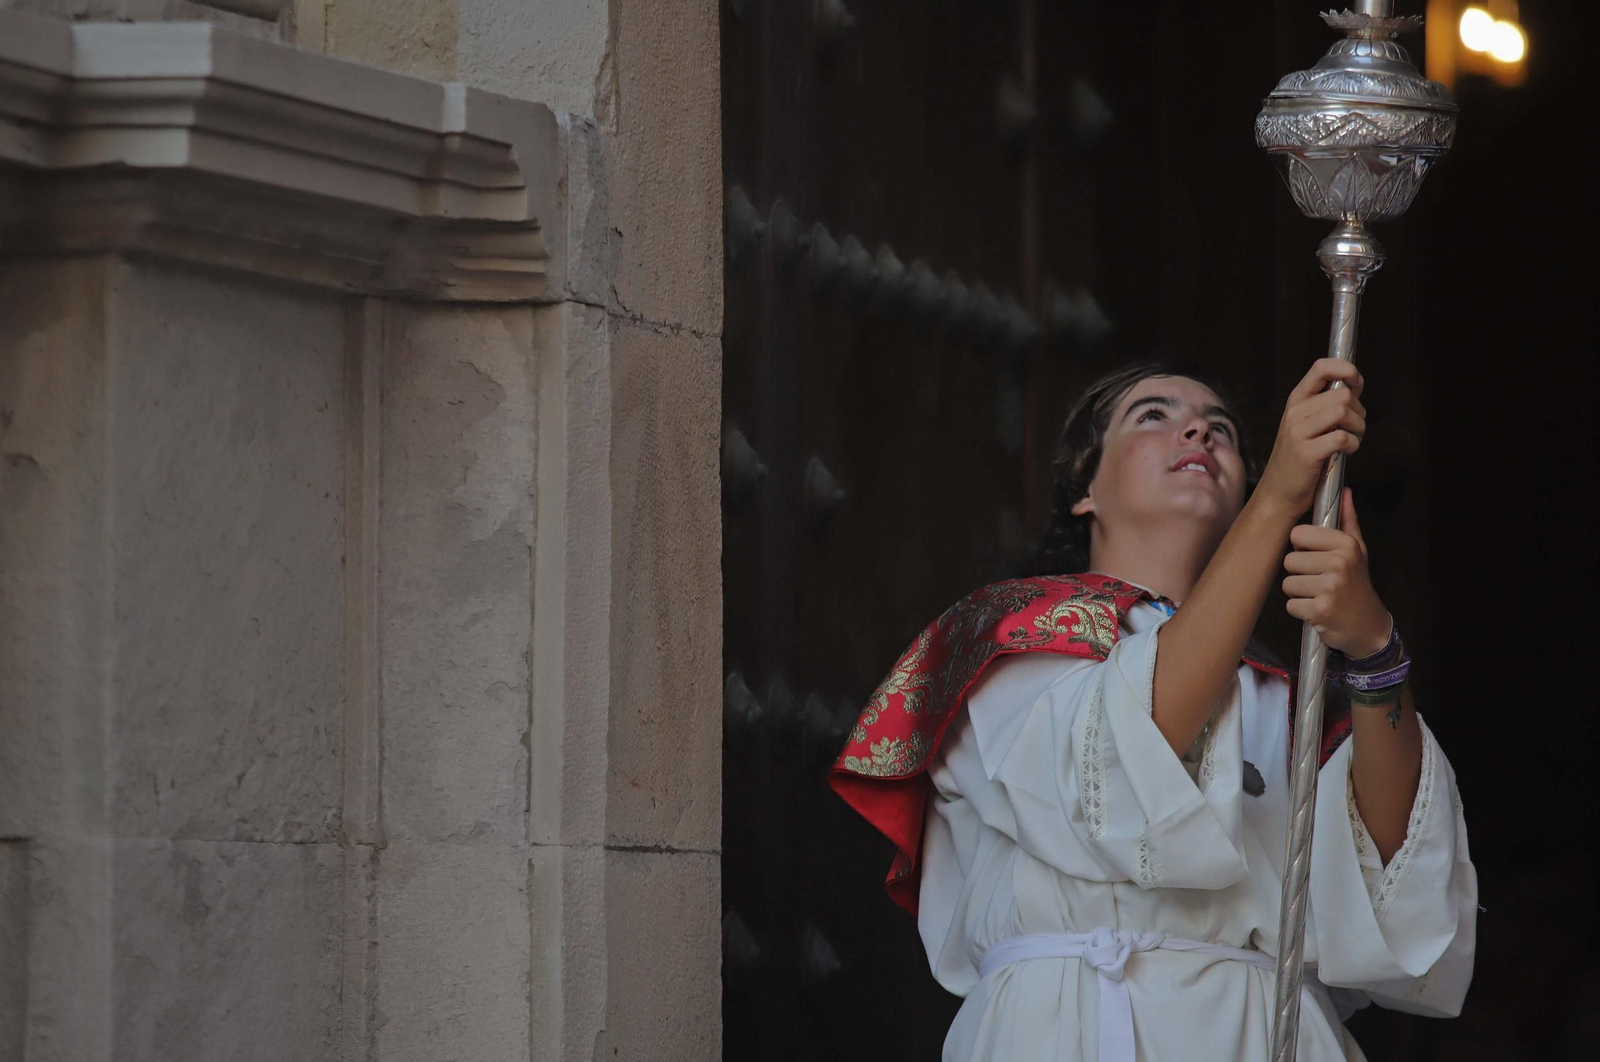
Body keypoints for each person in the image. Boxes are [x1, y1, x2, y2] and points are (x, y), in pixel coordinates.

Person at [828, 359, 1476, 1062]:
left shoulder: (1287, 690)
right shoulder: (1009, 636)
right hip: (1071, 1024)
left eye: (1221, 430)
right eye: (1154, 416)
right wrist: (1279, 499)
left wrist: (1373, 646)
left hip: (1261, 1034)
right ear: (1084, 489)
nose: (1197, 429)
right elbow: (1120, 766)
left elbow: (1387, 864)